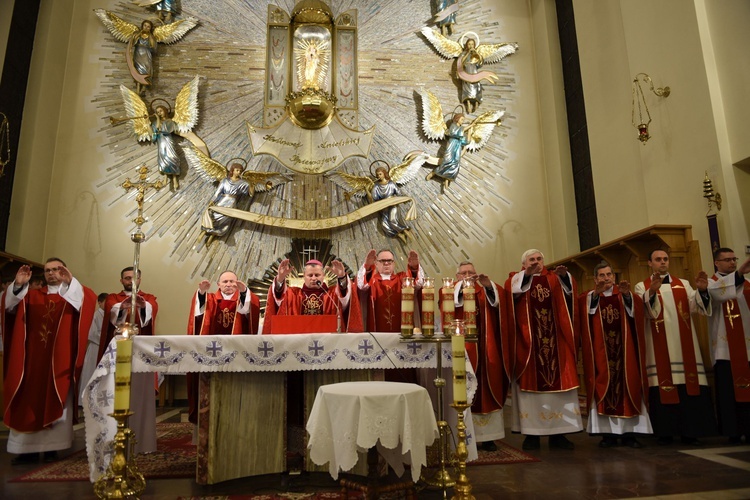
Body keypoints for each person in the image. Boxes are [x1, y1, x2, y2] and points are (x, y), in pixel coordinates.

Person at [2, 258, 96, 465]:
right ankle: (26, 451)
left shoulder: (71, 296)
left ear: (64, 270)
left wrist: (71, 281)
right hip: (32, 362)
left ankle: (54, 447)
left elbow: (88, 301)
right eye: (47, 271)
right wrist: (18, 285)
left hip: (59, 363)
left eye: (56, 269)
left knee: (59, 396)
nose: (51, 273)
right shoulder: (31, 296)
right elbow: (8, 308)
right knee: (28, 401)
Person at [634, 249, 716, 445]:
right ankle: (665, 432)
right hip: (657, 347)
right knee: (661, 386)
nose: (662, 262)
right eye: (658, 260)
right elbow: (643, 312)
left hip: (684, 345)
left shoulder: (683, 284)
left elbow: (696, 306)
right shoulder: (641, 286)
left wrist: (702, 291)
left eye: (665, 259)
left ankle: (691, 431)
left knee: (689, 387)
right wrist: (652, 292)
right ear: (649, 263)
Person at [504, 249, 581, 450]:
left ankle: (559, 433)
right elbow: (511, 295)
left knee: (560, 386)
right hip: (530, 344)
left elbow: (570, 296)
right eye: (532, 259)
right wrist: (527, 275)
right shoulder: (516, 278)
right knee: (530, 390)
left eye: (539, 259)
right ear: (524, 263)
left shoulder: (554, 278)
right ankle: (532, 435)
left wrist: (565, 277)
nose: (536, 262)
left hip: (556, 342)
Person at [579, 262, 651, 449]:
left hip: (625, 353)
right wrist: (595, 295)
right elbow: (583, 315)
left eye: (609, 274)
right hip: (601, 354)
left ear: (614, 276)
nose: (606, 278)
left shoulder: (626, 294)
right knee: (604, 387)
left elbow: (638, 315)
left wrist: (627, 296)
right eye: (601, 275)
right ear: (595, 279)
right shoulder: (590, 297)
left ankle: (631, 434)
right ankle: (607, 434)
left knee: (630, 385)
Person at [187, 270, 260, 424]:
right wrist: (201, 292)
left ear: (237, 283)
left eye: (232, 282)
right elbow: (198, 313)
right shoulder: (210, 299)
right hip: (212, 353)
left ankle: (237, 419)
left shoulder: (242, 299)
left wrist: (245, 291)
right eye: (225, 282)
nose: (229, 285)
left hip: (236, 354)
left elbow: (248, 309)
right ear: (218, 284)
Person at [99, 267, 159, 454]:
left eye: (134, 278)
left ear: (140, 279)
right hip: (118, 354)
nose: (130, 281)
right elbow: (111, 311)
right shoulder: (112, 298)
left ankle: (142, 440)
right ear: (121, 280)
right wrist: (122, 307)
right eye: (127, 278)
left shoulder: (148, 298)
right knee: (116, 393)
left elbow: (151, 312)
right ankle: (114, 438)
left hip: (140, 354)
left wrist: (142, 307)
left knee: (140, 394)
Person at [453, 261, 506, 451]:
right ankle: (464, 434)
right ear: (457, 276)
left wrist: (488, 286)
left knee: (486, 386)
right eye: (463, 273)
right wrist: (461, 287)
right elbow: (448, 305)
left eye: (471, 272)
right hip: (463, 349)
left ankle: (489, 437)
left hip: (485, 346)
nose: (468, 275)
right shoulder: (452, 291)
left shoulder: (484, 289)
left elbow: (500, 303)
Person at [705, 248, 750, 444]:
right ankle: (732, 431)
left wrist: (740, 276)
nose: (732, 263)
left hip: (746, 346)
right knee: (728, 392)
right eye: (727, 260)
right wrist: (739, 274)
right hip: (724, 349)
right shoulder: (709, 284)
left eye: (734, 259)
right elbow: (719, 294)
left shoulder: (746, 284)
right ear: (717, 263)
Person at [263, 259, 363, 334]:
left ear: (323, 275)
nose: (314, 278)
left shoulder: (332, 294)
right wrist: (280, 279)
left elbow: (345, 297)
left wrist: (342, 278)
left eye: (317, 275)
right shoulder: (293, 294)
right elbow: (278, 298)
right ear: (304, 276)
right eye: (310, 275)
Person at [357, 249, 423, 333]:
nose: (386, 263)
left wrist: (414, 268)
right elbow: (361, 286)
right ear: (376, 264)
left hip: (401, 331)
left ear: (394, 264)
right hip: (377, 333)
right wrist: (367, 267)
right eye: (382, 261)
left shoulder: (402, 279)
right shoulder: (371, 280)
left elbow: (418, 284)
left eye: (389, 260)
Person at [201, 163, 251, 238]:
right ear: (232, 170)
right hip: (223, 200)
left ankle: (215, 234)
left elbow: (249, 193)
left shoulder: (242, 183)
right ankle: (207, 230)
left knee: (225, 218)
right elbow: (218, 192)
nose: (239, 172)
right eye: (237, 170)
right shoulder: (225, 180)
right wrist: (212, 200)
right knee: (212, 213)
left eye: (240, 171)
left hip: (231, 202)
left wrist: (251, 184)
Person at [425, 114, 468, 191]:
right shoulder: (453, 126)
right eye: (461, 119)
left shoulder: (461, 128)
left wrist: (470, 131)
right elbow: (455, 133)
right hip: (451, 145)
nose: (462, 121)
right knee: (447, 161)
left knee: (455, 162)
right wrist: (470, 126)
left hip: (457, 147)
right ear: (457, 119)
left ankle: (447, 179)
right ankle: (433, 173)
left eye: (463, 120)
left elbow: (465, 141)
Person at [370, 166, 411, 243]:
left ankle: (405, 230)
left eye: (380, 174)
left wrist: (405, 198)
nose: (379, 176)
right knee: (384, 225)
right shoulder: (376, 186)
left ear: (384, 173)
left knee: (392, 220)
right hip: (384, 207)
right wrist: (369, 189)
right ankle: (399, 235)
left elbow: (399, 192)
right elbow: (374, 198)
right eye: (377, 175)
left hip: (392, 204)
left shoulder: (391, 183)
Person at [79, 293, 107, 402]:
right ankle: (86, 399)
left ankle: (99, 398)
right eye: (105, 302)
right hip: (96, 347)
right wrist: (105, 338)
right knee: (91, 372)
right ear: (99, 303)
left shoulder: (108, 315)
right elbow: (91, 333)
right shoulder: (95, 315)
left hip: (105, 347)